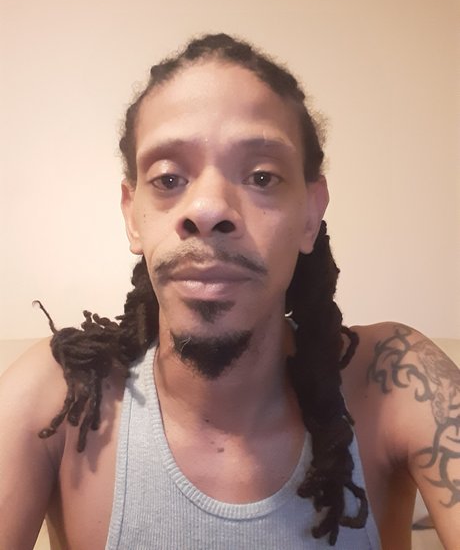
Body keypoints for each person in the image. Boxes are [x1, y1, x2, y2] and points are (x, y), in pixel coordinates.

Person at [0, 34, 459, 550]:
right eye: (168, 179)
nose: (208, 209)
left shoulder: (395, 381)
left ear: (311, 213)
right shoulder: (58, 396)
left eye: (261, 177)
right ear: (132, 215)